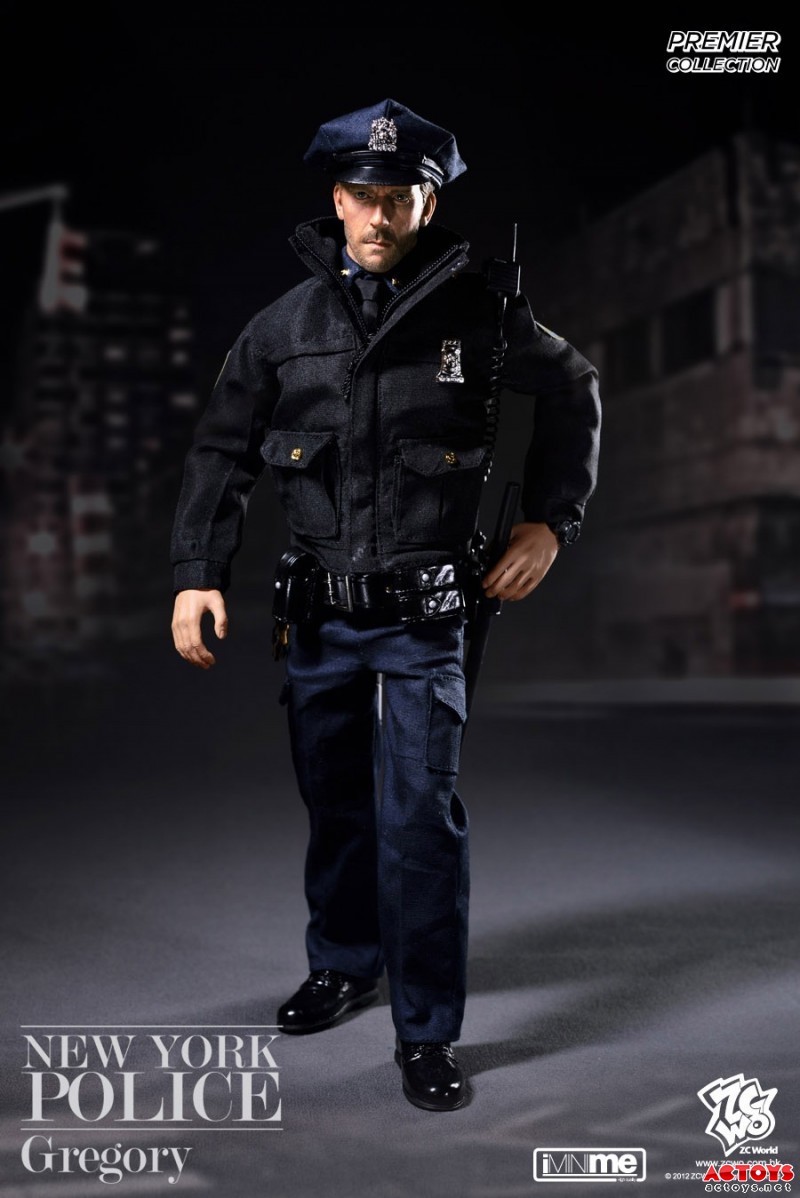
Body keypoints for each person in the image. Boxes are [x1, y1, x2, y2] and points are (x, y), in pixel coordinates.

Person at [170, 98, 601, 1112]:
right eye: (362, 195)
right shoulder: (284, 328)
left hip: (425, 616)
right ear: (336, 198)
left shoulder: (480, 314)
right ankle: (342, 963)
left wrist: (549, 521)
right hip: (318, 614)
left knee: (419, 819)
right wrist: (197, 571)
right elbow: (221, 451)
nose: (378, 215)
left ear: (427, 203)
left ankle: (425, 1029)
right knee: (334, 802)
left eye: (399, 196)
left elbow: (573, 387)